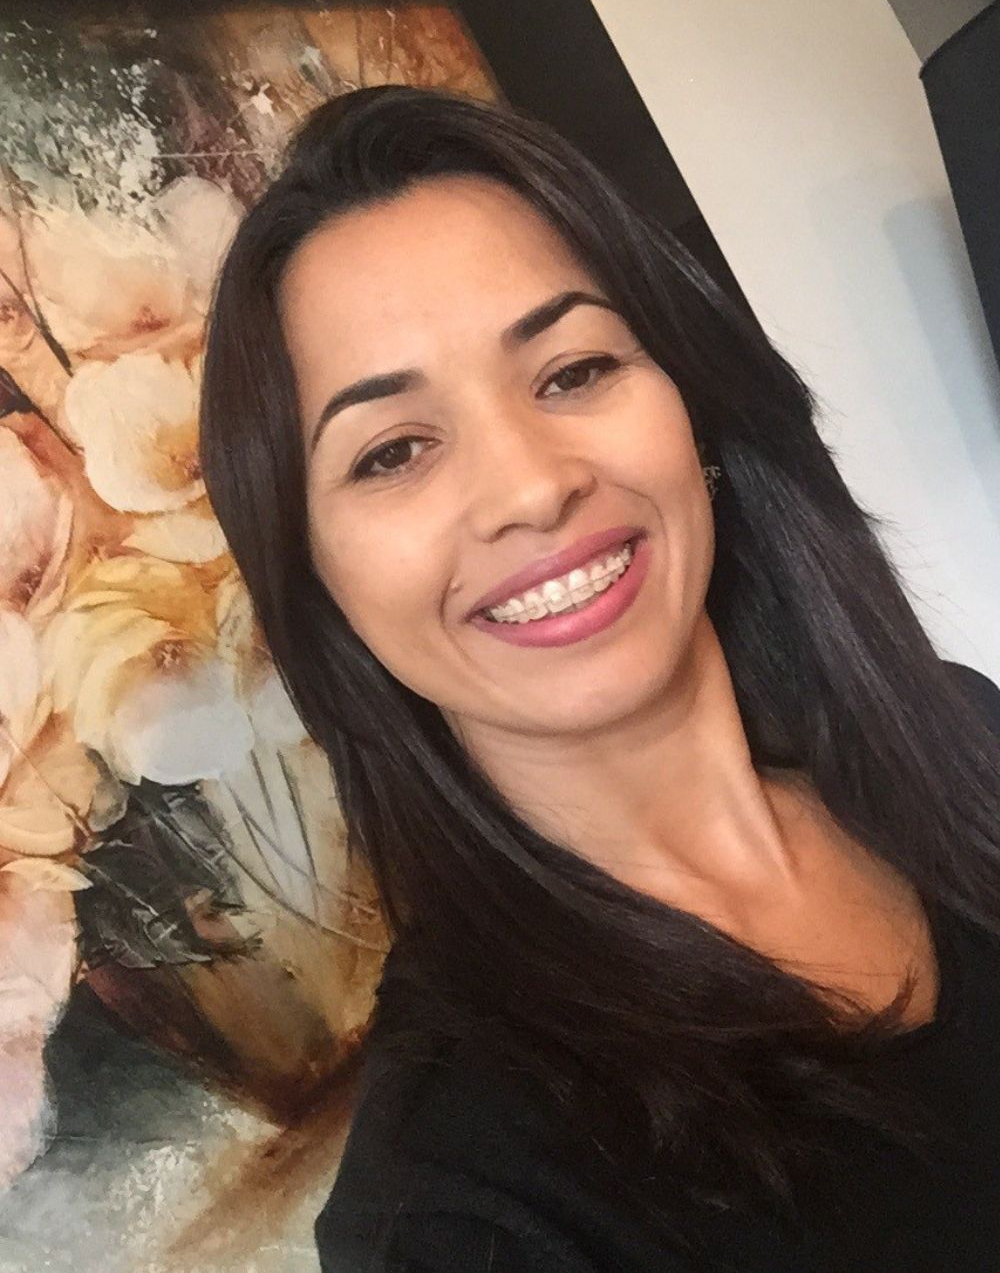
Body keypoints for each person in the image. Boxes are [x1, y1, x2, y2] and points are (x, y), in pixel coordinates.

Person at [198, 84, 1000, 1272]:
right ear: (319, 589)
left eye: (571, 372)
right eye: (394, 451)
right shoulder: (460, 1213)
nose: (532, 487)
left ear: (694, 414)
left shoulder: (964, 736)